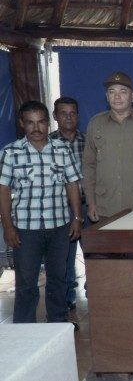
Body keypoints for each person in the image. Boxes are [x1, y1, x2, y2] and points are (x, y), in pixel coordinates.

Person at [0, 101, 82, 325]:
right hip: (26, 230)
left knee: (58, 279)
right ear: (21, 124)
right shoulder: (10, 153)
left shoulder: (62, 150)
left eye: (41, 122)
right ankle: (25, 330)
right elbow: (3, 190)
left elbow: (72, 184)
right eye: (30, 123)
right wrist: (7, 226)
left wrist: (76, 218)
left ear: (48, 122)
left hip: (60, 227)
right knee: (26, 283)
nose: (36, 128)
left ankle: (57, 323)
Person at [83, 71, 133, 222]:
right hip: (105, 208)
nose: (117, 96)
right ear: (107, 97)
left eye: (123, 91)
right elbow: (89, 166)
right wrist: (91, 202)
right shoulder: (95, 124)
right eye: (112, 92)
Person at [49, 97, 85, 310]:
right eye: (63, 113)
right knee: (65, 257)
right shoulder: (49, 143)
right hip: (62, 209)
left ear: (78, 116)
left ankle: (96, 294)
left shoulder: (88, 141)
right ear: (55, 116)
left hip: (88, 207)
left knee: (93, 253)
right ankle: (68, 298)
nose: (68, 117)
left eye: (72, 113)